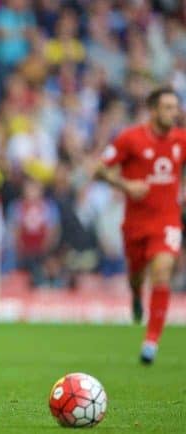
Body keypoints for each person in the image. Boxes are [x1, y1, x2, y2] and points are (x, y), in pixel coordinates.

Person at [95, 87, 186, 364]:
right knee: (137, 275)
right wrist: (125, 185)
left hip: (168, 220)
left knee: (162, 271)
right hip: (136, 223)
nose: (174, 113)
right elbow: (99, 169)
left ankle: (150, 343)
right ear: (153, 110)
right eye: (168, 108)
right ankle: (136, 295)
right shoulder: (130, 138)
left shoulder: (182, 139)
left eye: (176, 107)